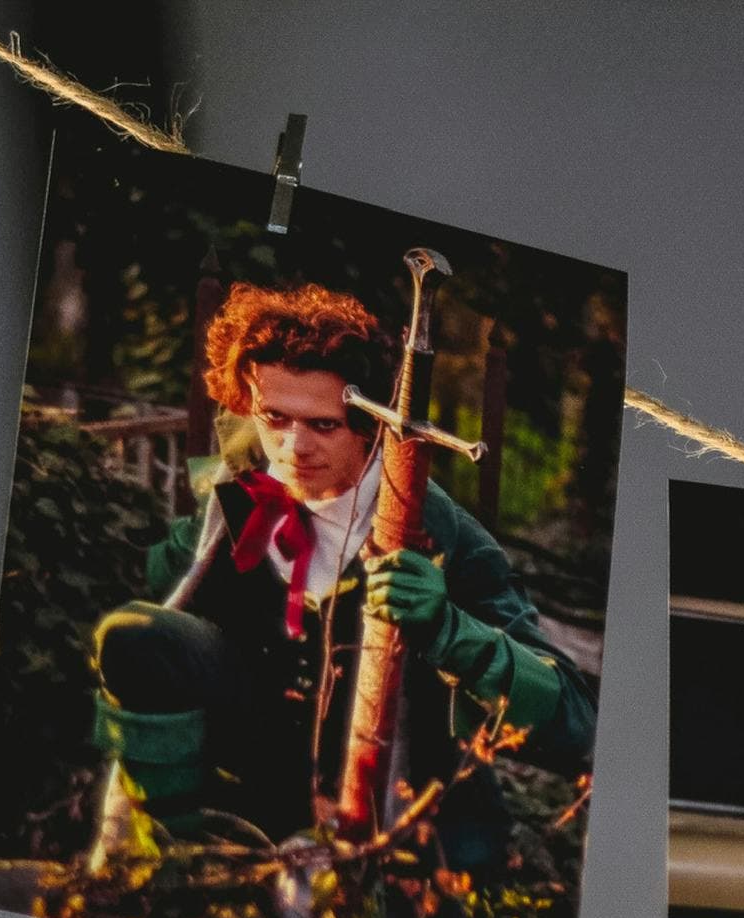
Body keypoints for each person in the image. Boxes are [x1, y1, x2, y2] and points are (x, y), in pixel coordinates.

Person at [88, 280, 593, 869]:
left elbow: (574, 725)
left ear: (372, 424)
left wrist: (451, 630)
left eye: (323, 425)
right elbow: (152, 621)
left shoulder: (446, 538)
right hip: (258, 795)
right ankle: (165, 864)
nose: (293, 446)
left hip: (402, 815)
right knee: (133, 637)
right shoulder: (235, 504)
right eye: (275, 417)